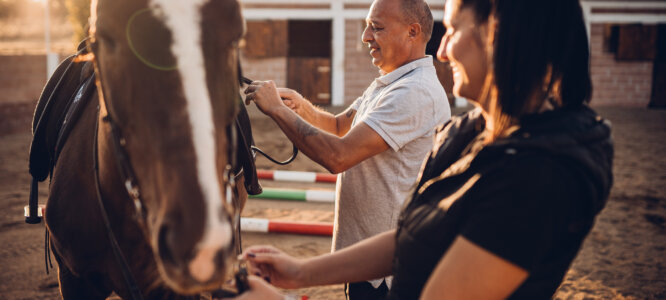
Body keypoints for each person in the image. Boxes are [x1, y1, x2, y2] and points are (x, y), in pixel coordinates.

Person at [227, 0, 614, 299]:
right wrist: (300, 272)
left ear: (498, 35)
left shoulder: (534, 177)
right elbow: (416, 233)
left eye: (454, 29)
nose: (442, 51)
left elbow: (339, 155)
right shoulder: (475, 130)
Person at [243, 0, 450, 298]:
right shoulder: (390, 83)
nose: (365, 36)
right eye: (367, 26)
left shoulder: (414, 92)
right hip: (365, 261)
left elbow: (338, 156)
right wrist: (301, 107)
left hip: (385, 272)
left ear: (412, 32)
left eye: (376, 28)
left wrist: (277, 109)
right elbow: (341, 126)